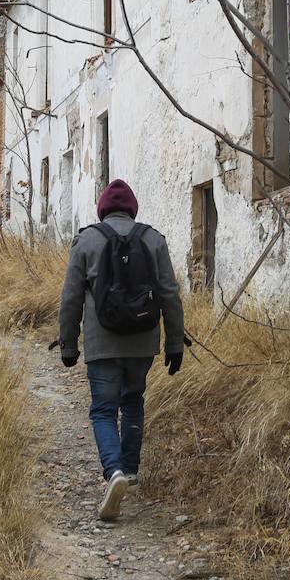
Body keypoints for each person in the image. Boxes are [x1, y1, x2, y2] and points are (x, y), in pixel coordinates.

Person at [56, 178, 186, 521]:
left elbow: (70, 297)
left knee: (102, 410)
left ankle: (113, 471)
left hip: (102, 344)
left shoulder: (86, 241)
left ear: (102, 209)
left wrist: (68, 343)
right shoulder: (153, 239)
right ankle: (129, 470)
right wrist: (174, 342)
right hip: (143, 341)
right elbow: (169, 293)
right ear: (132, 208)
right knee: (133, 402)